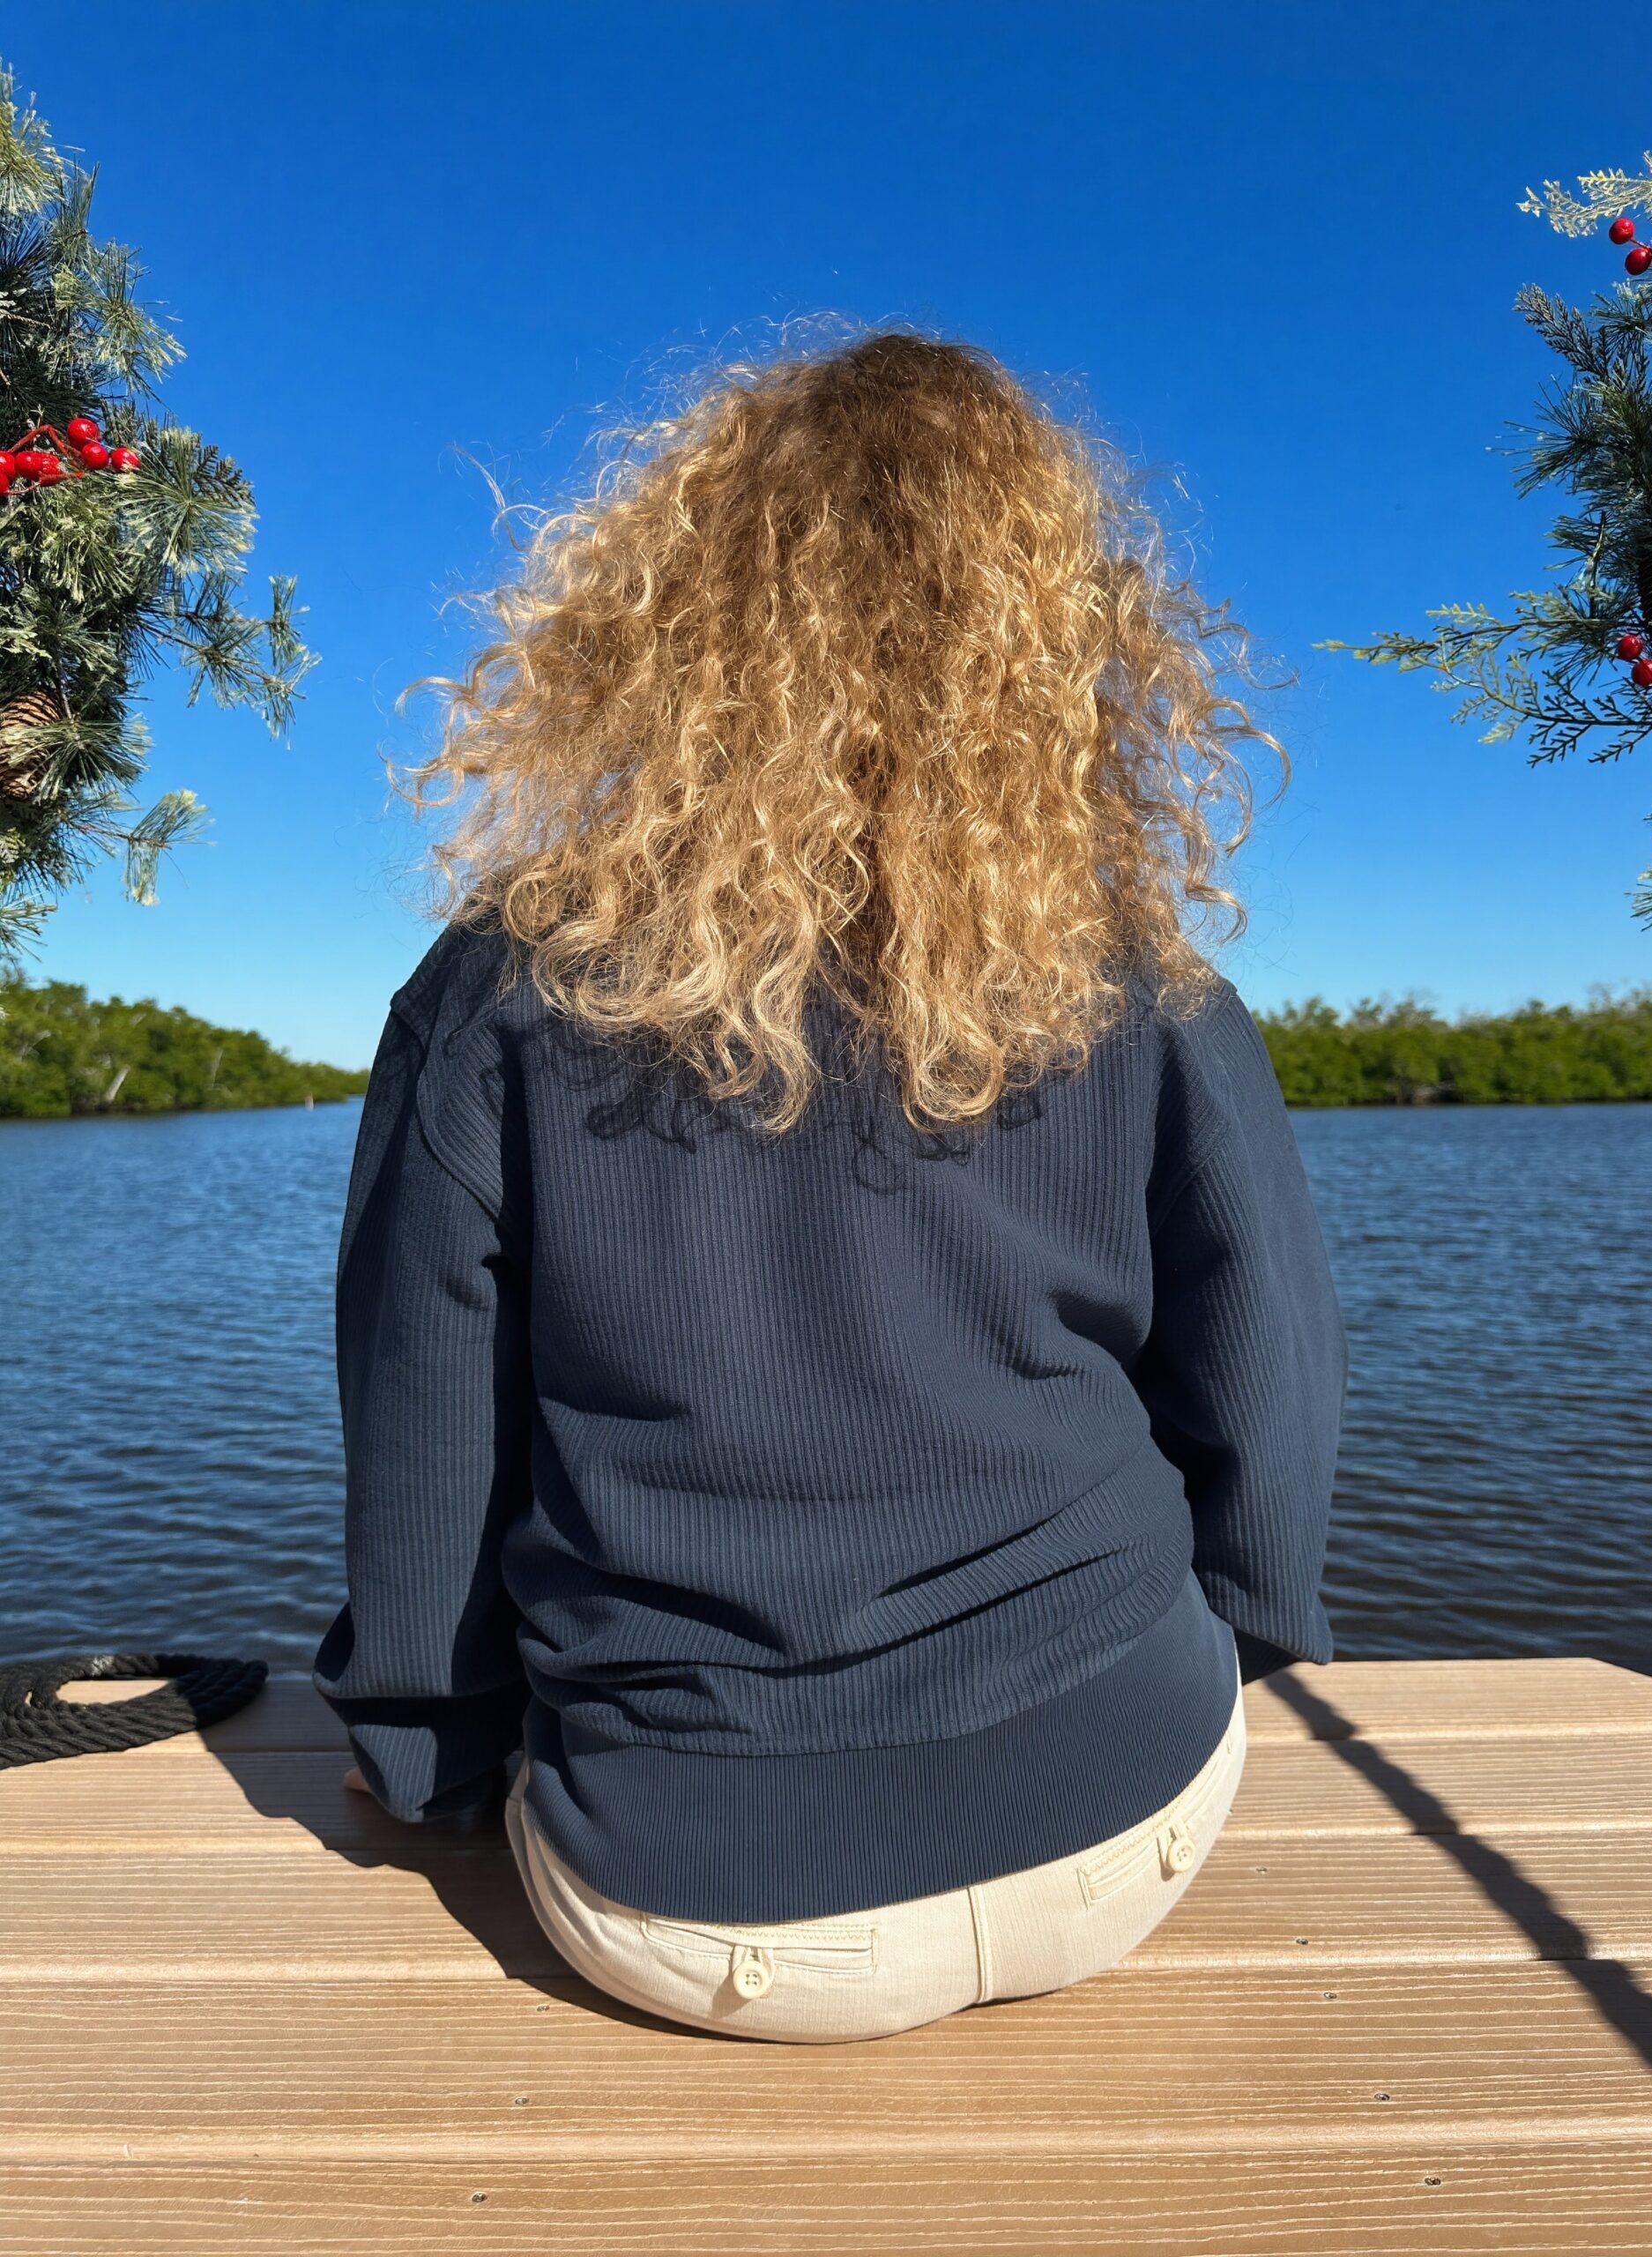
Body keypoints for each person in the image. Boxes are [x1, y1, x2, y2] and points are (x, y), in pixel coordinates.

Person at [313, 328, 1347, 2045]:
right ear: (1048, 641)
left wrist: (425, 1752)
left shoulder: (505, 988)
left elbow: (427, 1427)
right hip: (1132, 1821)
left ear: (666, 629)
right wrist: (1218, 1652)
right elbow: (1273, 1387)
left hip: (697, 1898)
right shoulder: (1142, 975)